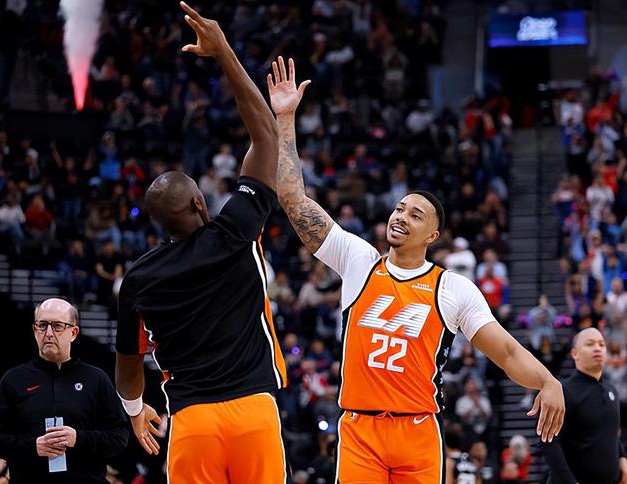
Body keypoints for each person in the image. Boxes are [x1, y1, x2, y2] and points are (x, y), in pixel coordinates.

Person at [268, 56, 564, 483]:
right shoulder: (358, 259)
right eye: (399, 208)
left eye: (415, 215)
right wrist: (285, 120)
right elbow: (294, 201)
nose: (401, 216)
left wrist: (548, 381)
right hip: (360, 429)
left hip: (419, 431)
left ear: (433, 235)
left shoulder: (452, 288)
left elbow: (507, 353)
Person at [115, 4, 287, 483]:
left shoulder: (139, 279)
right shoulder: (235, 230)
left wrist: (135, 409)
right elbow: (266, 136)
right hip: (254, 410)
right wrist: (223, 51)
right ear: (198, 203)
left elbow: (128, 364)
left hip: (192, 422)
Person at [0, 298, 128, 483]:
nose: (49, 333)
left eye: (58, 326)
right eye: (42, 325)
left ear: (73, 333)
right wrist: (33, 446)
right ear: (35, 330)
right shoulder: (14, 379)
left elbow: (119, 437)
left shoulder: (96, 379)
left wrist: (79, 438)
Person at [541, 328, 627, 483]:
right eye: (590, 344)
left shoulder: (611, 390)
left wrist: (622, 458)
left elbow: (610, 432)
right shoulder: (563, 392)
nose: (597, 348)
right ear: (575, 353)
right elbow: (549, 443)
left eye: (601, 344)